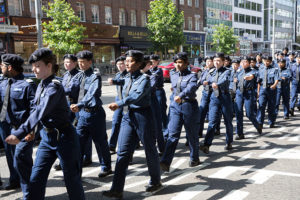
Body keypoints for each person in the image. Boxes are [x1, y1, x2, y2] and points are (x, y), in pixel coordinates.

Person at [5, 48, 85, 200]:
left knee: (72, 181)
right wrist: (32, 131)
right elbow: (36, 111)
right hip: (47, 139)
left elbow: (40, 111)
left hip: (64, 139)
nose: (34, 69)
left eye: (38, 66)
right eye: (33, 66)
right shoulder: (41, 84)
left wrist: (20, 132)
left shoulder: (54, 87)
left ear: (49, 66)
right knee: (36, 180)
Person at [103, 50, 162, 199]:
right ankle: (116, 189)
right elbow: (124, 82)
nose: (127, 64)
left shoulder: (144, 79)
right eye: (126, 61)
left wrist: (119, 103)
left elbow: (136, 95)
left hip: (143, 116)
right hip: (128, 116)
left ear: (140, 63)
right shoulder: (127, 77)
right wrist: (114, 81)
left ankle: (155, 181)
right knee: (122, 153)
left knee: (149, 149)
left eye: (131, 61)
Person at [69, 50, 112, 178]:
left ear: (90, 62)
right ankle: (77, 172)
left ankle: (106, 167)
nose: (80, 65)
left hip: (95, 114)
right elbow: (70, 88)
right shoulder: (79, 76)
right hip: (82, 115)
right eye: (79, 62)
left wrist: (80, 105)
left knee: (100, 142)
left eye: (83, 62)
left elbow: (91, 94)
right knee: (79, 143)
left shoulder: (95, 76)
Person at [0, 54, 36, 194]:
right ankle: (15, 181)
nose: (0, 67)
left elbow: (34, 110)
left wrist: (30, 130)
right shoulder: (4, 82)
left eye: (2, 65)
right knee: (10, 156)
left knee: (22, 159)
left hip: (22, 129)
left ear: (10, 67)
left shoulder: (27, 84)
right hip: (5, 126)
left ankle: (31, 190)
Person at [160, 52, 200, 172]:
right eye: (176, 62)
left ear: (186, 63)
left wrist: (181, 95)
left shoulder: (192, 75)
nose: (178, 65)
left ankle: (194, 158)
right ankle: (166, 162)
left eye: (180, 62)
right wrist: (174, 96)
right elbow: (174, 87)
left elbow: (191, 88)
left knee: (191, 134)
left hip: (189, 106)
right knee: (173, 134)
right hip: (175, 107)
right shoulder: (173, 74)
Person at [54, 53, 92, 171]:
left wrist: (59, 88)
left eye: (69, 62)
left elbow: (72, 89)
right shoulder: (65, 75)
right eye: (65, 62)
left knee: (81, 132)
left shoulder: (80, 75)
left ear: (75, 63)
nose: (67, 64)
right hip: (66, 106)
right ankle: (64, 159)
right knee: (65, 133)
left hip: (77, 106)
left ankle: (86, 156)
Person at [200, 52, 233, 154]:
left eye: (218, 61)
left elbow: (225, 80)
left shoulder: (228, 71)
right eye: (215, 61)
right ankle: (207, 144)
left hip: (225, 97)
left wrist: (216, 84)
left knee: (227, 121)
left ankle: (229, 142)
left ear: (223, 62)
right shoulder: (212, 71)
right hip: (214, 97)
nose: (216, 62)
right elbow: (206, 80)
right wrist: (205, 82)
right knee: (212, 121)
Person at [234, 56, 262, 140]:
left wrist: (250, 77)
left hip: (249, 92)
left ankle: (257, 125)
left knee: (249, 113)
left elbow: (253, 76)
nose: (243, 63)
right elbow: (235, 80)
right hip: (239, 92)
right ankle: (239, 133)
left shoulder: (253, 71)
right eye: (242, 62)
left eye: (246, 61)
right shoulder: (239, 71)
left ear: (249, 63)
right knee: (238, 112)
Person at [143, 55, 165, 155]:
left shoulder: (154, 73)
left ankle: (162, 147)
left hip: (155, 96)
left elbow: (152, 85)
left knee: (157, 123)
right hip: (144, 102)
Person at [108, 56, 127, 154]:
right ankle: (111, 146)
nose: (120, 66)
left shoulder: (129, 75)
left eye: (122, 64)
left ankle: (134, 143)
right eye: (118, 64)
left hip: (128, 102)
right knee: (115, 123)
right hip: (118, 101)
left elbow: (124, 82)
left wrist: (114, 81)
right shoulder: (117, 75)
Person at [198, 56, 220, 138]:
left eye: (210, 61)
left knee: (213, 113)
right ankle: (199, 131)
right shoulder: (205, 71)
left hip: (213, 93)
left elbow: (215, 80)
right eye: (207, 61)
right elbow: (200, 80)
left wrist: (208, 82)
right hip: (205, 93)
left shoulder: (216, 70)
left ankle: (215, 129)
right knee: (201, 112)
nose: (208, 63)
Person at [256, 55, 279, 128]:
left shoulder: (274, 69)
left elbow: (276, 79)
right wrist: (258, 91)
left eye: (268, 61)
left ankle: (271, 122)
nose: (266, 62)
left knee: (271, 107)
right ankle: (260, 122)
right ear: (263, 61)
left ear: (271, 62)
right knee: (261, 105)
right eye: (265, 61)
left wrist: (275, 84)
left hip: (271, 89)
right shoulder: (261, 68)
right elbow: (259, 81)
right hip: (263, 89)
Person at [150, 54, 169, 136]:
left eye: (153, 62)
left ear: (157, 62)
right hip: (151, 93)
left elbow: (152, 80)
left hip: (158, 91)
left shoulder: (159, 70)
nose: (152, 64)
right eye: (150, 62)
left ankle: (165, 131)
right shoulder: (148, 70)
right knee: (152, 113)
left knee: (161, 112)